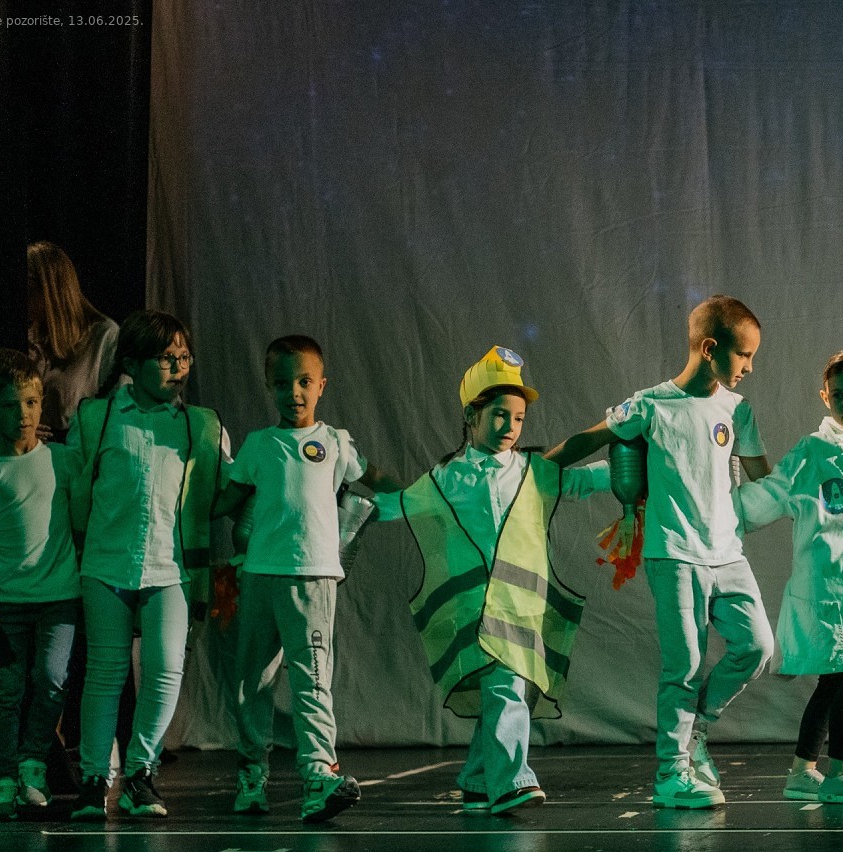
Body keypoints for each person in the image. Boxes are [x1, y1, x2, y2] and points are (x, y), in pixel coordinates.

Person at [546, 296, 773, 809]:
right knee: (685, 665)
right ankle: (671, 775)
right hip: (673, 554)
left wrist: (812, 494)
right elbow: (587, 440)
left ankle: (697, 730)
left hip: (728, 553)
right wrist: (531, 470)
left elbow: (766, 479)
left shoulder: (738, 410)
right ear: (709, 348)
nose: (749, 367)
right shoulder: (650, 405)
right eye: (743, 355)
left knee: (757, 646)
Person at [377, 347, 610, 815]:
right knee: (504, 686)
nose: (511, 426)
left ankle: (478, 779)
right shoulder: (446, 480)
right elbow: (395, 506)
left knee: (508, 690)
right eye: (500, 415)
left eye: (519, 418)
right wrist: (338, 502)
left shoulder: (534, 472)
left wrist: (641, 465)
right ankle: (512, 780)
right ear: (471, 415)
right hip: (476, 611)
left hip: (524, 608)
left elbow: (584, 481)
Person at [213, 336, 402, 823]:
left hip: (313, 579)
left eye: (303, 382)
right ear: (269, 386)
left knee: (313, 679)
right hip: (259, 578)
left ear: (322, 385)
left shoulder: (335, 442)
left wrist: (422, 496)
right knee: (251, 680)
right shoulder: (259, 445)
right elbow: (226, 502)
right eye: (282, 383)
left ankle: (318, 775)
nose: (293, 392)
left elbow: (375, 477)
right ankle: (251, 776)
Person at [67, 311, 229, 820]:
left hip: (171, 566)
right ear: (132, 364)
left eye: (184, 357)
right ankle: (94, 778)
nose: (179, 367)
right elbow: (75, 488)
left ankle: (140, 772)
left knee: (165, 669)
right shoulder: (97, 417)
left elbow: (223, 491)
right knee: (105, 672)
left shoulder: (200, 425)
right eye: (166, 358)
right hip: (106, 562)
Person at [736, 351, 843, 805]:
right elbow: (772, 492)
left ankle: (802, 770)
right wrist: (714, 506)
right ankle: (841, 772)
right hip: (833, 584)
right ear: (825, 397)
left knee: (836, 678)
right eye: (839, 395)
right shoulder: (814, 451)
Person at [0, 350, 81, 819]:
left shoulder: (63, 461)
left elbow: (83, 520)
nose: (24, 415)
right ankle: (1, 780)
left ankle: (33, 763)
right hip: (8, 603)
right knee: (5, 692)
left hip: (60, 598)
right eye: (11, 406)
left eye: (31, 403)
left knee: (51, 680)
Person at [0, 241, 120, 437]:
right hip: (23, 449)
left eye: (28, 289)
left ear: (50, 290)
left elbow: (119, 411)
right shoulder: (20, 331)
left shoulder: (104, 336)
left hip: (76, 450)